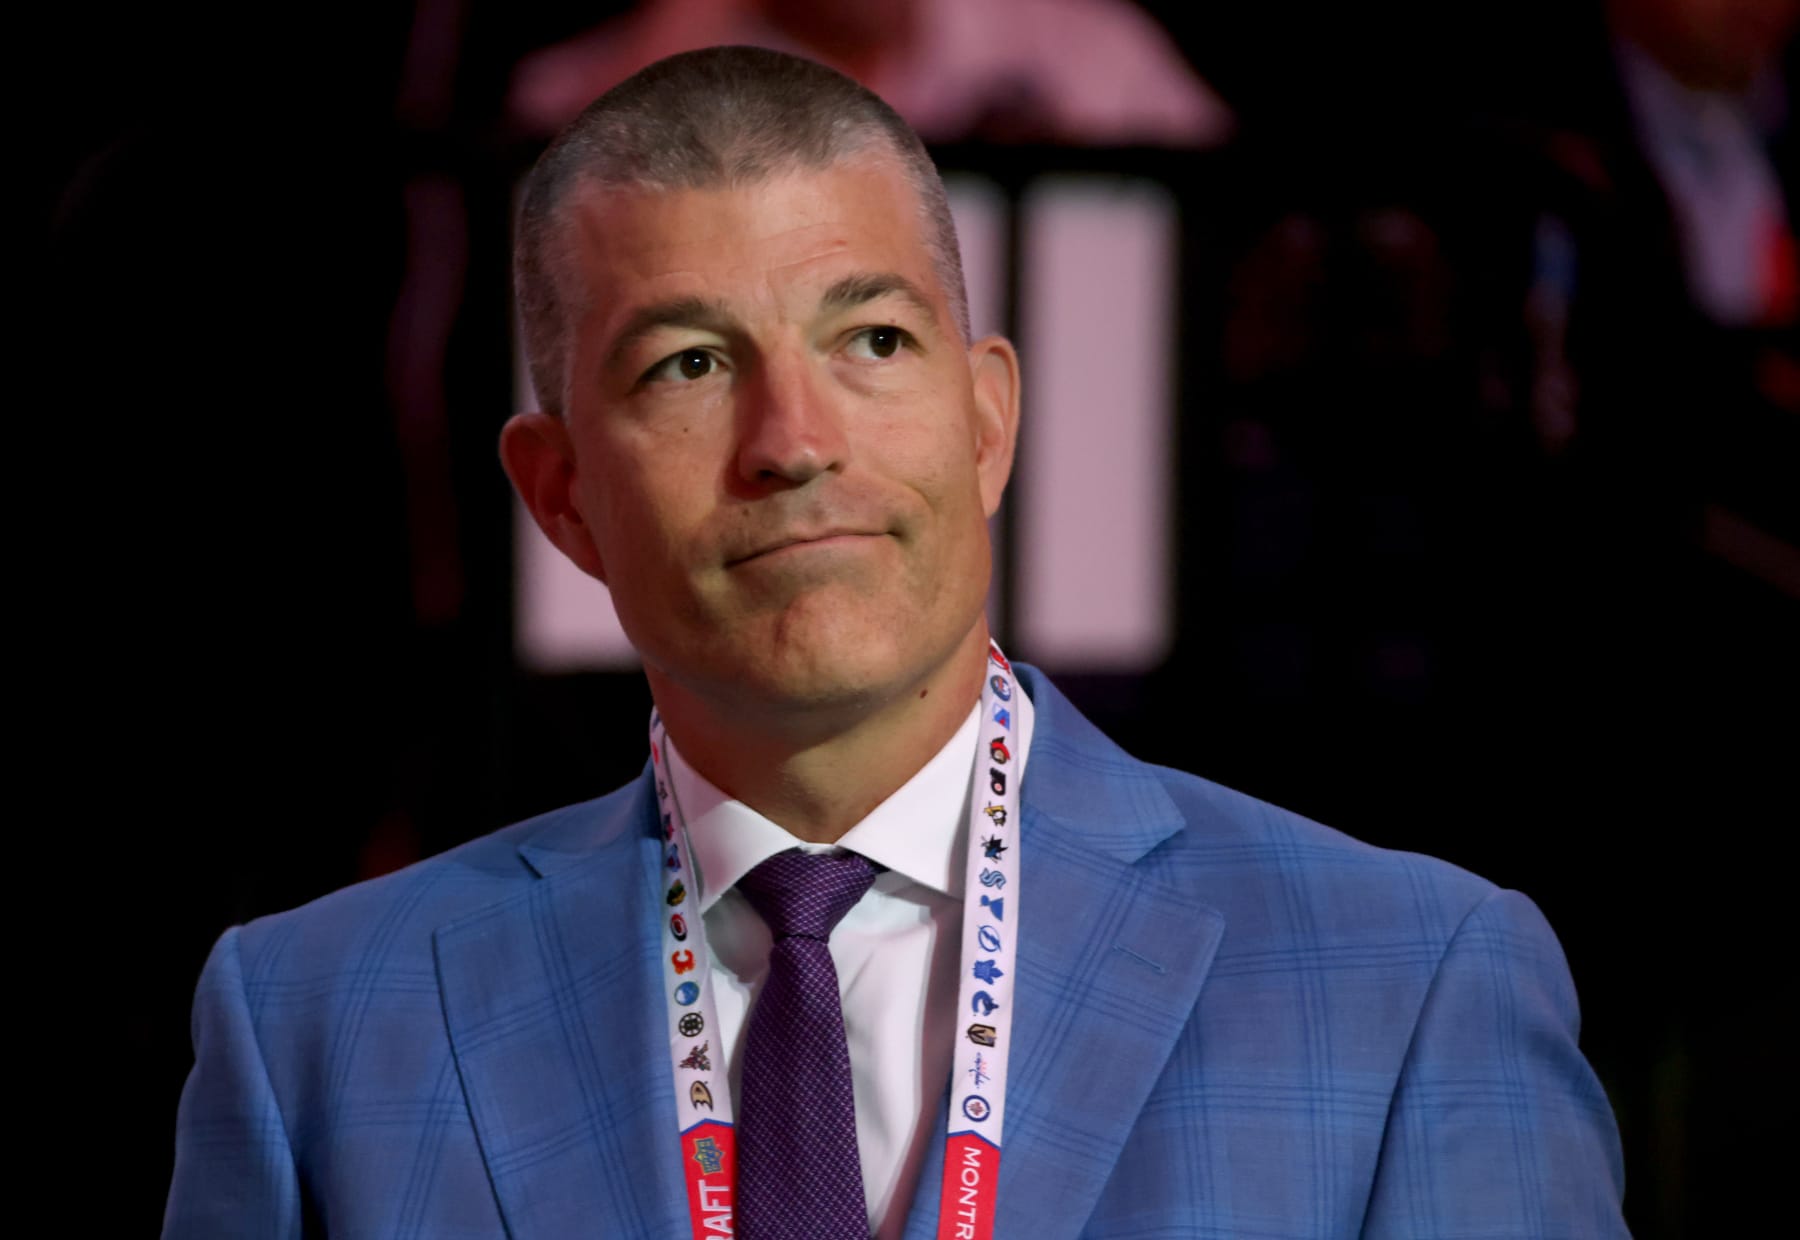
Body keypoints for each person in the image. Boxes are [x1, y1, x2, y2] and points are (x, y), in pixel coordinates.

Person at [163, 47, 1629, 1239]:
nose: (793, 443)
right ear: (562, 498)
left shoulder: (1412, 981)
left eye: (871, 341)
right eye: (687, 365)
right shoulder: (310, 1026)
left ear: (988, 416)